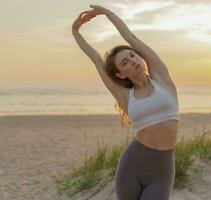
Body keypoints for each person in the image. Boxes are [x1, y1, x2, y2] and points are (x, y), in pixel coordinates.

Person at [72, 4, 180, 200]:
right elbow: (97, 60)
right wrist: (75, 32)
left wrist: (108, 14)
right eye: (125, 63)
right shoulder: (124, 96)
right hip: (131, 166)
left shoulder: (161, 76)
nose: (133, 60)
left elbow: (131, 39)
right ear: (121, 73)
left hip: (162, 171)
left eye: (132, 55)